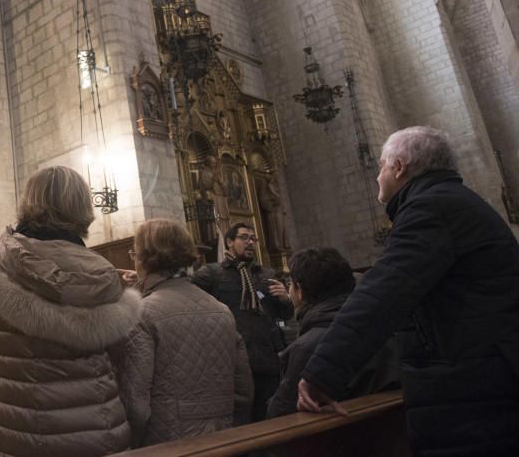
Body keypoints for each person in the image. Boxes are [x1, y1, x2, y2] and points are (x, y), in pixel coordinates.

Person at [298, 127, 519, 455]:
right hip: (484, 377)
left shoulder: (431, 210)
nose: (377, 176)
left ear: (399, 167)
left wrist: (322, 373)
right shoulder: (455, 203)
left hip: (472, 393)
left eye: (382, 166)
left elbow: (380, 296)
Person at [0, 165, 141, 456]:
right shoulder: (103, 274)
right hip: (98, 434)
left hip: (22, 434)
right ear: (82, 207)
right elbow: (121, 360)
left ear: (28, 202)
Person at [116, 219, 253, 446]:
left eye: (134, 254)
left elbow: (136, 403)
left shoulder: (142, 314)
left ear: (144, 258)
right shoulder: (221, 310)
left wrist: (135, 446)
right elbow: (244, 390)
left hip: (169, 443)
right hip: (223, 439)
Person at [265, 247, 398, 418]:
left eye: (290, 284)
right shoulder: (383, 328)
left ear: (299, 290)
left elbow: (280, 413)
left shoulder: (306, 347)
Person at [193, 223, 292, 421]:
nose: (250, 242)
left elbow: (284, 315)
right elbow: (184, 292)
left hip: (267, 359)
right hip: (233, 360)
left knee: (272, 417)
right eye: (244, 237)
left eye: (253, 239)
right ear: (229, 242)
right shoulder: (212, 274)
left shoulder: (266, 274)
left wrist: (285, 300)